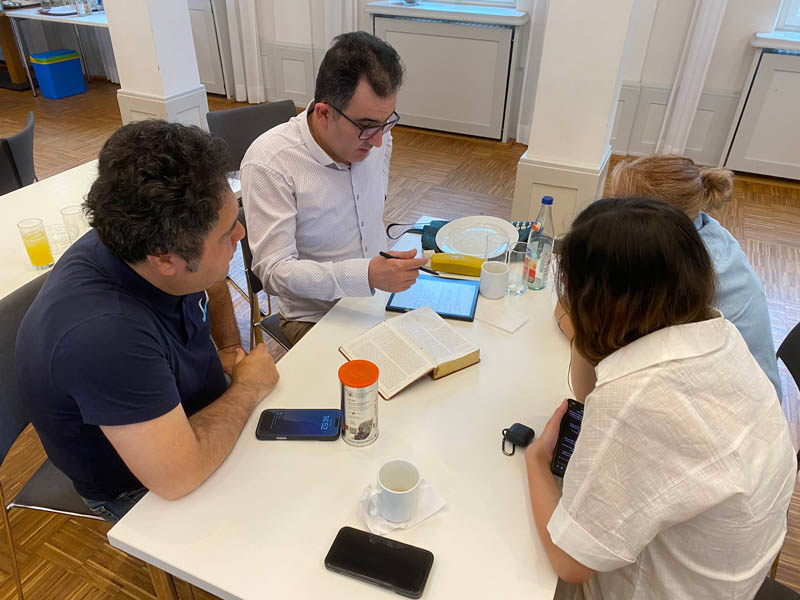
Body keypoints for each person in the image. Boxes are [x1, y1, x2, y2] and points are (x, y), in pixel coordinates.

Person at [527, 197, 795, 600]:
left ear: (593, 301)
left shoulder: (632, 399)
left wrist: (536, 461)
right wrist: (589, 325)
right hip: (735, 577)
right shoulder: (717, 332)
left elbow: (571, 562)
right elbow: (587, 392)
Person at [15, 120, 279, 523]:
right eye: (227, 233)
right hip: (143, 484)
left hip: (194, 414)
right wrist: (247, 387)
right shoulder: (105, 338)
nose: (240, 234)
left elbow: (211, 275)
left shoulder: (149, 241)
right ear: (165, 259)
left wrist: (228, 347)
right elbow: (178, 476)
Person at [241, 31, 427, 346]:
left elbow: (369, 217)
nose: (378, 141)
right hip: (315, 316)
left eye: (386, 123)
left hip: (379, 296)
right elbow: (274, 272)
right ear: (324, 113)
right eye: (366, 127)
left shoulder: (377, 137)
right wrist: (366, 275)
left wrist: (380, 269)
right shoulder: (270, 162)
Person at [608, 154, 781, 400]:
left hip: (737, 402)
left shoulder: (684, 268)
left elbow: (619, 346)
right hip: (735, 381)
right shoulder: (701, 226)